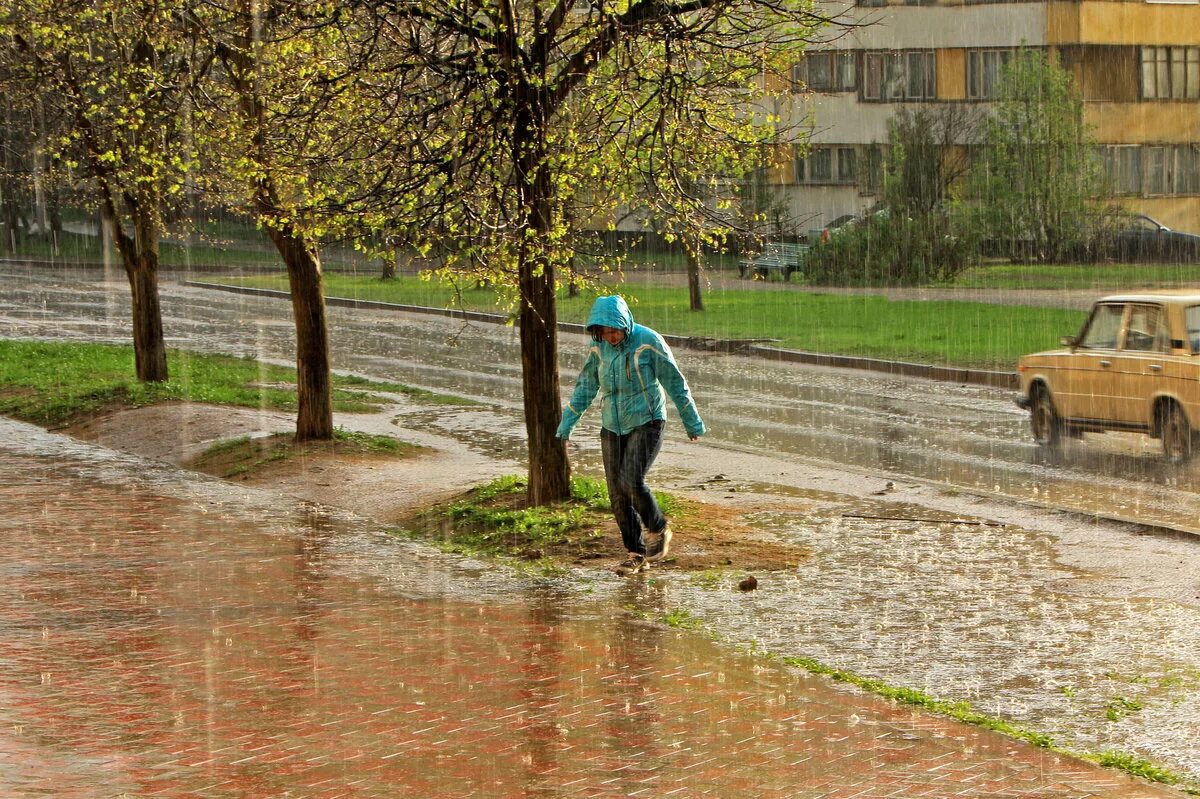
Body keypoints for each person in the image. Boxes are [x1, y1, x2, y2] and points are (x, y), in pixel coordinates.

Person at [555, 295, 706, 576]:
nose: (610, 337)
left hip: (647, 421)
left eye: (614, 331)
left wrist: (692, 422)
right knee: (616, 493)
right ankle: (635, 553)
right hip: (612, 425)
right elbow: (586, 386)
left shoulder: (648, 341)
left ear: (625, 324)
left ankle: (658, 527)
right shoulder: (599, 348)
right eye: (604, 332)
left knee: (630, 480)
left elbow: (674, 380)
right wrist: (567, 425)